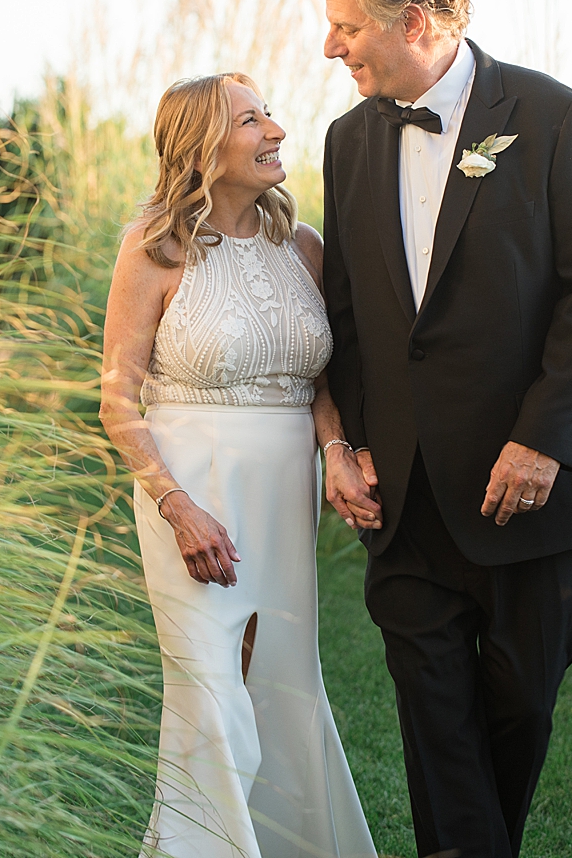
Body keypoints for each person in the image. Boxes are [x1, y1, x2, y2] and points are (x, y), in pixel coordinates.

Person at [320, 0, 572, 858]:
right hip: (406, 504)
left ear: (412, 20)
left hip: (535, 495)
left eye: (345, 27)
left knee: (518, 712)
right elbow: (345, 309)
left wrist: (541, 440)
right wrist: (349, 441)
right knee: (433, 717)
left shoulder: (552, 116)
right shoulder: (346, 143)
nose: (331, 47)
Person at [100, 72, 381, 858]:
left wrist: (334, 450)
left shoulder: (303, 247)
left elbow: (321, 383)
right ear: (200, 146)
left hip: (283, 489)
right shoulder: (153, 247)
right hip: (192, 485)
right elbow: (116, 400)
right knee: (212, 689)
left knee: (284, 680)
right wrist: (175, 504)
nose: (277, 131)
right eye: (251, 119)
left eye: (271, 114)